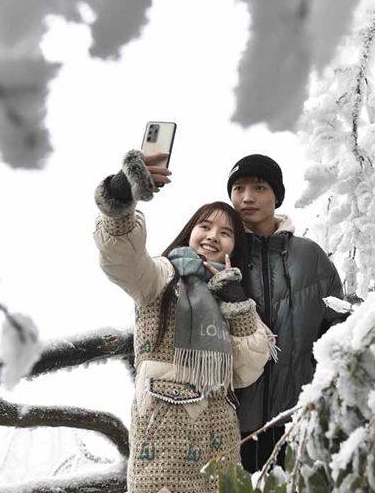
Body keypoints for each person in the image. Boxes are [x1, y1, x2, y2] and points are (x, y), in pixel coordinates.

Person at [93, 150, 274, 493]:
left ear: (235, 246)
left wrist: (236, 302)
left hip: (218, 442)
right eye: (204, 226)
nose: (212, 236)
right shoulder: (161, 277)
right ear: (189, 231)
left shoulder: (235, 295)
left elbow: (249, 367)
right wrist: (121, 196)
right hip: (161, 446)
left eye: (225, 232)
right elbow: (122, 259)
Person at [226, 154, 345, 473]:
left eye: (259, 187)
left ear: (276, 195)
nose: (247, 197)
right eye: (238, 188)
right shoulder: (223, 254)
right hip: (230, 426)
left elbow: (334, 328)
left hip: (295, 422)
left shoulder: (309, 256)